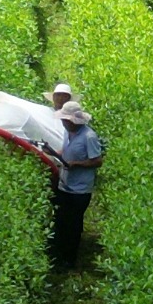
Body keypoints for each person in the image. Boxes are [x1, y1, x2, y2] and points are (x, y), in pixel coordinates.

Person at [52, 100, 104, 265]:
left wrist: (77, 164)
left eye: (65, 120)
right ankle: (58, 255)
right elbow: (65, 151)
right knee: (61, 221)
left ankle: (70, 259)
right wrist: (53, 153)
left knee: (73, 224)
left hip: (80, 190)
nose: (63, 123)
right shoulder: (68, 133)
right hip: (64, 184)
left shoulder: (89, 136)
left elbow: (97, 161)